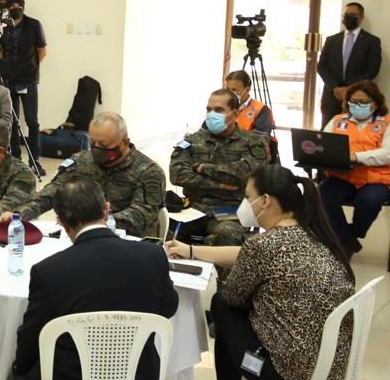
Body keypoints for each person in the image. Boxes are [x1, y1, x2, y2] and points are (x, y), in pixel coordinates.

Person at [167, 166, 355, 380]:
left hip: (284, 373)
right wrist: (192, 251)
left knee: (222, 304)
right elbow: (247, 254)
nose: (245, 204)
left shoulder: (263, 246)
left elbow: (233, 296)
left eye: (248, 197)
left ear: (265, 200)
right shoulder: (315, 235)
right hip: (328, 369)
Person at [12, 179, 178, 380]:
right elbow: (168, 308)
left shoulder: (49, 271)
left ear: (61, 221)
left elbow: (32, 337)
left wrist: (18, 371)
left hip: (70, 374)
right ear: (106, 210)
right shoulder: (152, 255)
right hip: (139, 372)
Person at [0, 112, 166, 237]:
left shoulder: (148, 172)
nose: (96, 149)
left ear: (124, 142)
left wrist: (94, 225)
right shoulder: (81, 161)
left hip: (130, 242)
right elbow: (51, 192)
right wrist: (20, 214)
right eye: (93, 143)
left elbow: (142, 214)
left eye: (104, 145)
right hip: (84, 237)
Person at [169, 89, 268, 248]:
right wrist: (219, 184)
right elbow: (177, 174)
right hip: (193, 208)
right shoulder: (192, 140)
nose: (211, 114)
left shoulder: (252, 142)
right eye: (209, 109)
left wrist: (202, 168)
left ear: (235, 114)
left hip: (231, 211)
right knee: (162, 228)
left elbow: (242, 174)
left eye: (219, 110)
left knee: (226, 236)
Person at [318, 79, 390, 258]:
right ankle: (348, 242)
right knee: (323, 195)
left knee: (369, 201)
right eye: (354, 102)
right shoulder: (337, 120)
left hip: (375, 178)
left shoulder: (386, 123)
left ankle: (349, 236)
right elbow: (323, 144)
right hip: (343, 176)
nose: (358, 106)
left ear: (375, 103)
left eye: (363, 102)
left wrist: (357, 157)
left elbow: (388, 153)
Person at [0, 0, 47, 175]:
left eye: (19, 5)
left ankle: (35, 160)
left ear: (23, 6)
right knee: (12, 121)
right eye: (12, 6)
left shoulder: (34, 25)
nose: (15, 8)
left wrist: (31, 66)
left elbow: (42, 50)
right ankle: (15, 159)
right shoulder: (2, 25)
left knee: (32, 121)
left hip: (28, 79)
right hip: (8, 79)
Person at [317, 2, 382, 128]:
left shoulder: (372, 41)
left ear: (361, 17)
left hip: (358, 99)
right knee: (327, 132)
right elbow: (322, 67)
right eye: (346, 14)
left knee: (353, 132)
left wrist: (348, 89)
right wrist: (335, 87)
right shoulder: (332, 40)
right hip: (331, 97)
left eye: (352, 14)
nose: (348, 17)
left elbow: (372, 70)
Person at [225, 70, 275, 139]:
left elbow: (261, 140)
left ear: (247, 89)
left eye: (234, 90)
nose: (230, 93)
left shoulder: (261, 110)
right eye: (228, 89)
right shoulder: (222, 107)